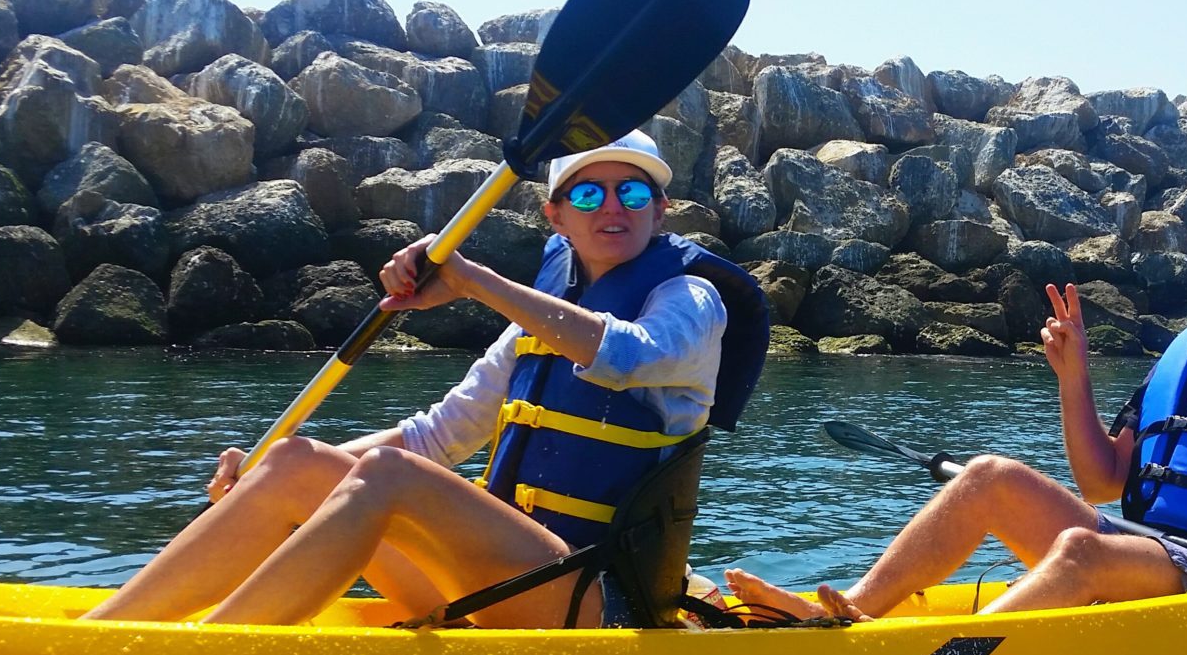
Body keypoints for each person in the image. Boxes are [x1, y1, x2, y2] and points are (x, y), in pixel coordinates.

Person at [85, 130, 769, 628]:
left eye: (633, 191)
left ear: (661, 210)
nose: (611, 206)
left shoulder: (689, 301)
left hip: (595, 598)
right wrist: (259, 479)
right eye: (587, 192)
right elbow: (435, 437)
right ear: (554, 216)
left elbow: (632, 355)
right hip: (496, 584)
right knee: (296, 461)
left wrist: (472, 280)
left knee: (385, 475)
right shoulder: (533, 325)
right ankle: (107, 637)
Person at [725, 184, 1187, 620]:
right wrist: (1074, 379)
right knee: (986, 476)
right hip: (1141, 546)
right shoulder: (1185, 355)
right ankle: (852, 614)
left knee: (1076, 551)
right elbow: (1101, 482)